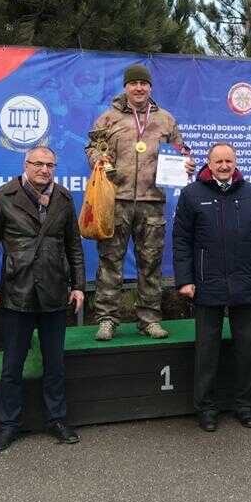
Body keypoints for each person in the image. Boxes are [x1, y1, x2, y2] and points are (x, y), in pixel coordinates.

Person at [0, 146, 85, 451]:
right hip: (17, 292)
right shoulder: (3, 197)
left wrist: (78, 285)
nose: (44, 169)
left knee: (55, 364)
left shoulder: (64, 198)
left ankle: (57, 420)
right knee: (12, 366)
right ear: (26, 165)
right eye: (38, 163)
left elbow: (74, 246)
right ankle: (8, 425)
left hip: (54, 291)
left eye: (49, 165)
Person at [172, 143, 251, 432]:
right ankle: (206, 408)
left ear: (235, 162)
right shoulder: (192, 194)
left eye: (228, 161)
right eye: (218, 161)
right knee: (207, 351)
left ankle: (245, 405)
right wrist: (185, 279)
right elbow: (181, 240)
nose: (223, 166)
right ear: (209, 164)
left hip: (245, 282)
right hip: (207, 283)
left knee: (248, 350)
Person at [85, 63, 193, 341]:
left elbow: (181, 150)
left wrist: (186, 164)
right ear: (126, 87)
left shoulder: (166, 120)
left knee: (151, 263)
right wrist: (99, 160)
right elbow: (92, 147)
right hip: (115, 200)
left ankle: (149, 319)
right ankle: (107, 320)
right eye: (133, 83)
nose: (139, 88)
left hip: (152, 201)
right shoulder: (108, 118)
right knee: (110, 262)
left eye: (143, 83)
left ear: (150, 87)